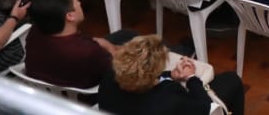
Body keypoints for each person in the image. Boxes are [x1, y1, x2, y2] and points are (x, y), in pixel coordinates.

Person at [97, 34, 245, 115]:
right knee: (232, 80)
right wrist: (191, 78)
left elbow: (140, 77)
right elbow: (205, 107)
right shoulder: (168, 97)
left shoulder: (109, 79)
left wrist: (170, 75)